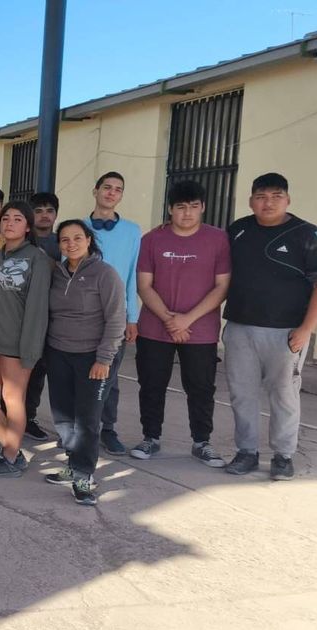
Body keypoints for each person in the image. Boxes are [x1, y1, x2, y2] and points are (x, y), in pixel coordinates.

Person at [222, 172, 317, 480]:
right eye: (261, 197)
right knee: (241, 393)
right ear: (251, 201)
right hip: (240, 327)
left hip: (287, 333)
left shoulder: (308, 235)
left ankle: (283, 455)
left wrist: (306, 329)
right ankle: (246, 451)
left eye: (275, 196)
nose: (267, 203)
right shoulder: (238, 230)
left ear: (287, 200)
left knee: (284, 394)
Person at [131, 180, 230, 466]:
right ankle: (150, 437)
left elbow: (222, 286)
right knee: (151, 384)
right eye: (181, 207)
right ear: (170, 210)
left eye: (194, 207)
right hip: (154, 328)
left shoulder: (218, 239)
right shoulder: (152, 240)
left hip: (200, 330)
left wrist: (187, 319)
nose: (187, 213)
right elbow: (144, 285)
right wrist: (168, 319)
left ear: (203, 208)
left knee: (201, 387)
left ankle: (202, 441)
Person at [41, 221, 126, 506]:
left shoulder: (105, 274)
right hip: (59, 353)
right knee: (63, 417)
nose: (71, 244)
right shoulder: (57, 274)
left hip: (92, 357)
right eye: (65, 240)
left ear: (89, 240)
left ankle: (84, 474)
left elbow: (116, 319)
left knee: (87, 420)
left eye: (77, 238)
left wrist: (104, 358)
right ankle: (72, 462)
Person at [0, 201, 52, 478]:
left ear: (28, 227)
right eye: (6, 218)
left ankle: (8, 457)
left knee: (12, 398)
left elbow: (38, 307)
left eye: (17, 219)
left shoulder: (36, 259)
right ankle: (13, 452)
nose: (9, 223)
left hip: (18, 343)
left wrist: (30, 349)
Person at [84, 172, 142, 456]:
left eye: (118, 189)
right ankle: (77, 429)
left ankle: (107, 429)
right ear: (95, 190)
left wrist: (133, 317)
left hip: (115, 315)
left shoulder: (132, 231)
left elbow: (133, 275)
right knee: (79, 373)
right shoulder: (77, 227)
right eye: (106, 187)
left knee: (110, 375)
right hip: (81, 315)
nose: (111, 193)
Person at [23, 191, 61, 443]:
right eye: (38, 210)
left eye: (49, 210)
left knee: (41, 373)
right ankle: (8, 417)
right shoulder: (23, 241)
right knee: (19, 371)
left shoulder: (64, 241)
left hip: (56, 318)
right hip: (25, 315)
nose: (44, 215)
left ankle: (29, 418)